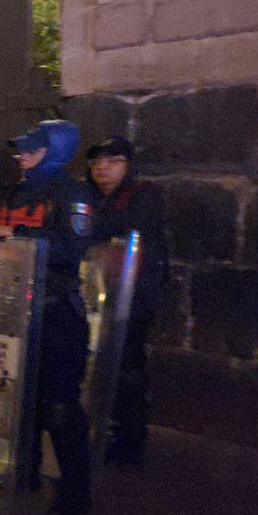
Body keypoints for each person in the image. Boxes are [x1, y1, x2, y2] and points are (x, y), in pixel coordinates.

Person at [0, 120, 96, 515]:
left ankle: (76, 491)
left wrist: (15, 236)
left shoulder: (73, 193)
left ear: (56, 150)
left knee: (59, 404)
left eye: (32, 149)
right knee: (18, 396)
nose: (22, 156)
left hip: (56, 311)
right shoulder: (14, 192)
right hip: (13, 307)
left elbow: (72, 246)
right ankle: (21, 474)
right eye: (21, 150)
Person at [85, 135, 168, 467]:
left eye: (112, 161)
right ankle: (106, 430)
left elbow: (128, 230)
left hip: (134, 294)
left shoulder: (143, 195)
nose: (102, 168)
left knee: (128, 366)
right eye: (96, 162)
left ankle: (130, 441)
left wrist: (94, 228)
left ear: (127, 166)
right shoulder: (96, 198)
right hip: (102, 292)